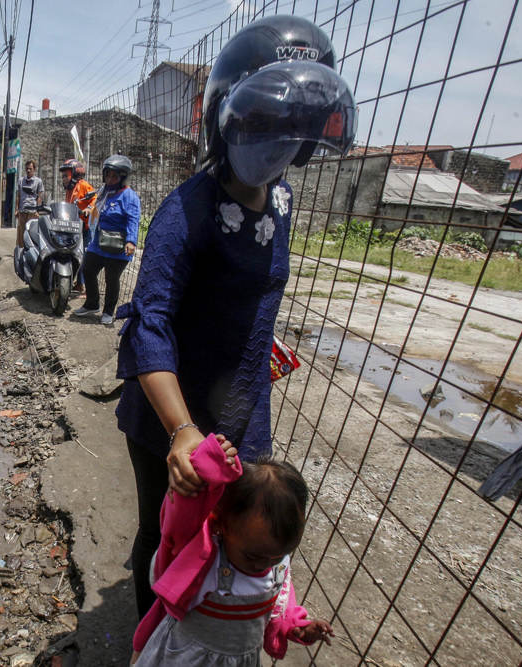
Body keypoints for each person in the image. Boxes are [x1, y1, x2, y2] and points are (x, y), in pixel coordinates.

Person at [114, 14, 357, 620]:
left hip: (244, 409)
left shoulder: (284, 199)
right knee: (163, 532)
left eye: (296, 129)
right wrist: (181, 431)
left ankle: (222, 632)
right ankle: (155, 643)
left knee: (231, 536)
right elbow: (151, 322)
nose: (282, 143)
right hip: (171, 415)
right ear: (229, 120)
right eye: (270, 125)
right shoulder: (187, 209)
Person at [130, 433, 334, 665]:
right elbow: (177, 528)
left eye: (278, 556)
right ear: (219, 524)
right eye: (253, 556)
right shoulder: (204, 559)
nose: (264, 565)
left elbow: (281, 602)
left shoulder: (276, 564)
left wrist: (298, 627)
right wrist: (203, 468)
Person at [72, 155, 140, 325]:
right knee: (87, 269)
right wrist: (88, 211)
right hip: (99, 242)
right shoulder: (104, 192)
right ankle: (92, 304)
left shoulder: (129, 196)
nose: (110, 179)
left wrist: (131, 241)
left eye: (114, 176)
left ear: (123, 178)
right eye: (107, 175)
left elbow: (133, 219)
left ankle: (108, 311)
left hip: (119, 245)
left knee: (112, 278)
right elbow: (94, 204)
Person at [60, 159, 96, 293]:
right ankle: (76, 283)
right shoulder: (69, 190)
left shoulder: (83, 185)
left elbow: (95, 198)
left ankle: (83, 286)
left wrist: (89, 209)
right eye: (63, 176)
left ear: (74, 175)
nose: (63, 179)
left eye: (65, 176)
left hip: (84, 228)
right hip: (73, 228)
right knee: (73, 255)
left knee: (84, 256)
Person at [15, 159, 44, 247]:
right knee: (21, 233)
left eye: (30, 169)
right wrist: (16, 209)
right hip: (22, 210)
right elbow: (18, 196)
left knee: (32, 233)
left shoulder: (38, 181)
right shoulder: (21, 181)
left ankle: (31, 251)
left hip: (33, 212)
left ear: (34, 169)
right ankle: (20, 252)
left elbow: (39, 197)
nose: (28, 170)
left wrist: (37, 211)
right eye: (27, 168)